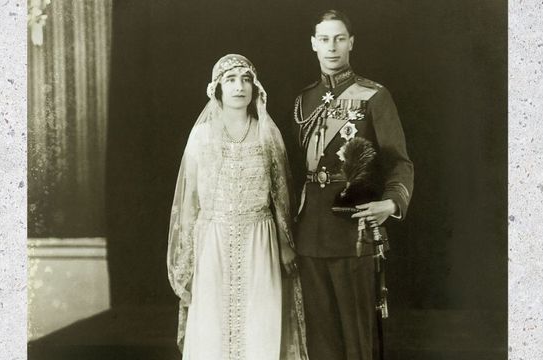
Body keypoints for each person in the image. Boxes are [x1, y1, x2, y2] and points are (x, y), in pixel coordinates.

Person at [167, 54, 308, 360]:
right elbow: (189, 202)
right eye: (230, 80)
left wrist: (285, 244)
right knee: (213, 323)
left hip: (260, 239)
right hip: (213, 241)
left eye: (246, 79)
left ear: (255, 87)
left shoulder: (267, 134)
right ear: (217, 88)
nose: (239, 87)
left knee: (260, 320)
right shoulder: (201, 137)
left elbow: (281, 196)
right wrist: (188, 258)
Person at [291, 10, 414, 360]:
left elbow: (399, 161)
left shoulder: (374, 96)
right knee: (321, 341)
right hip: (310, 233)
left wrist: (391, 204)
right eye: (325, 39)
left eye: (340, 38)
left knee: (358, 339)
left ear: (351, 43)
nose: (332, 47)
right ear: (314, 44)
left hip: (354, 229)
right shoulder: (304, 101)